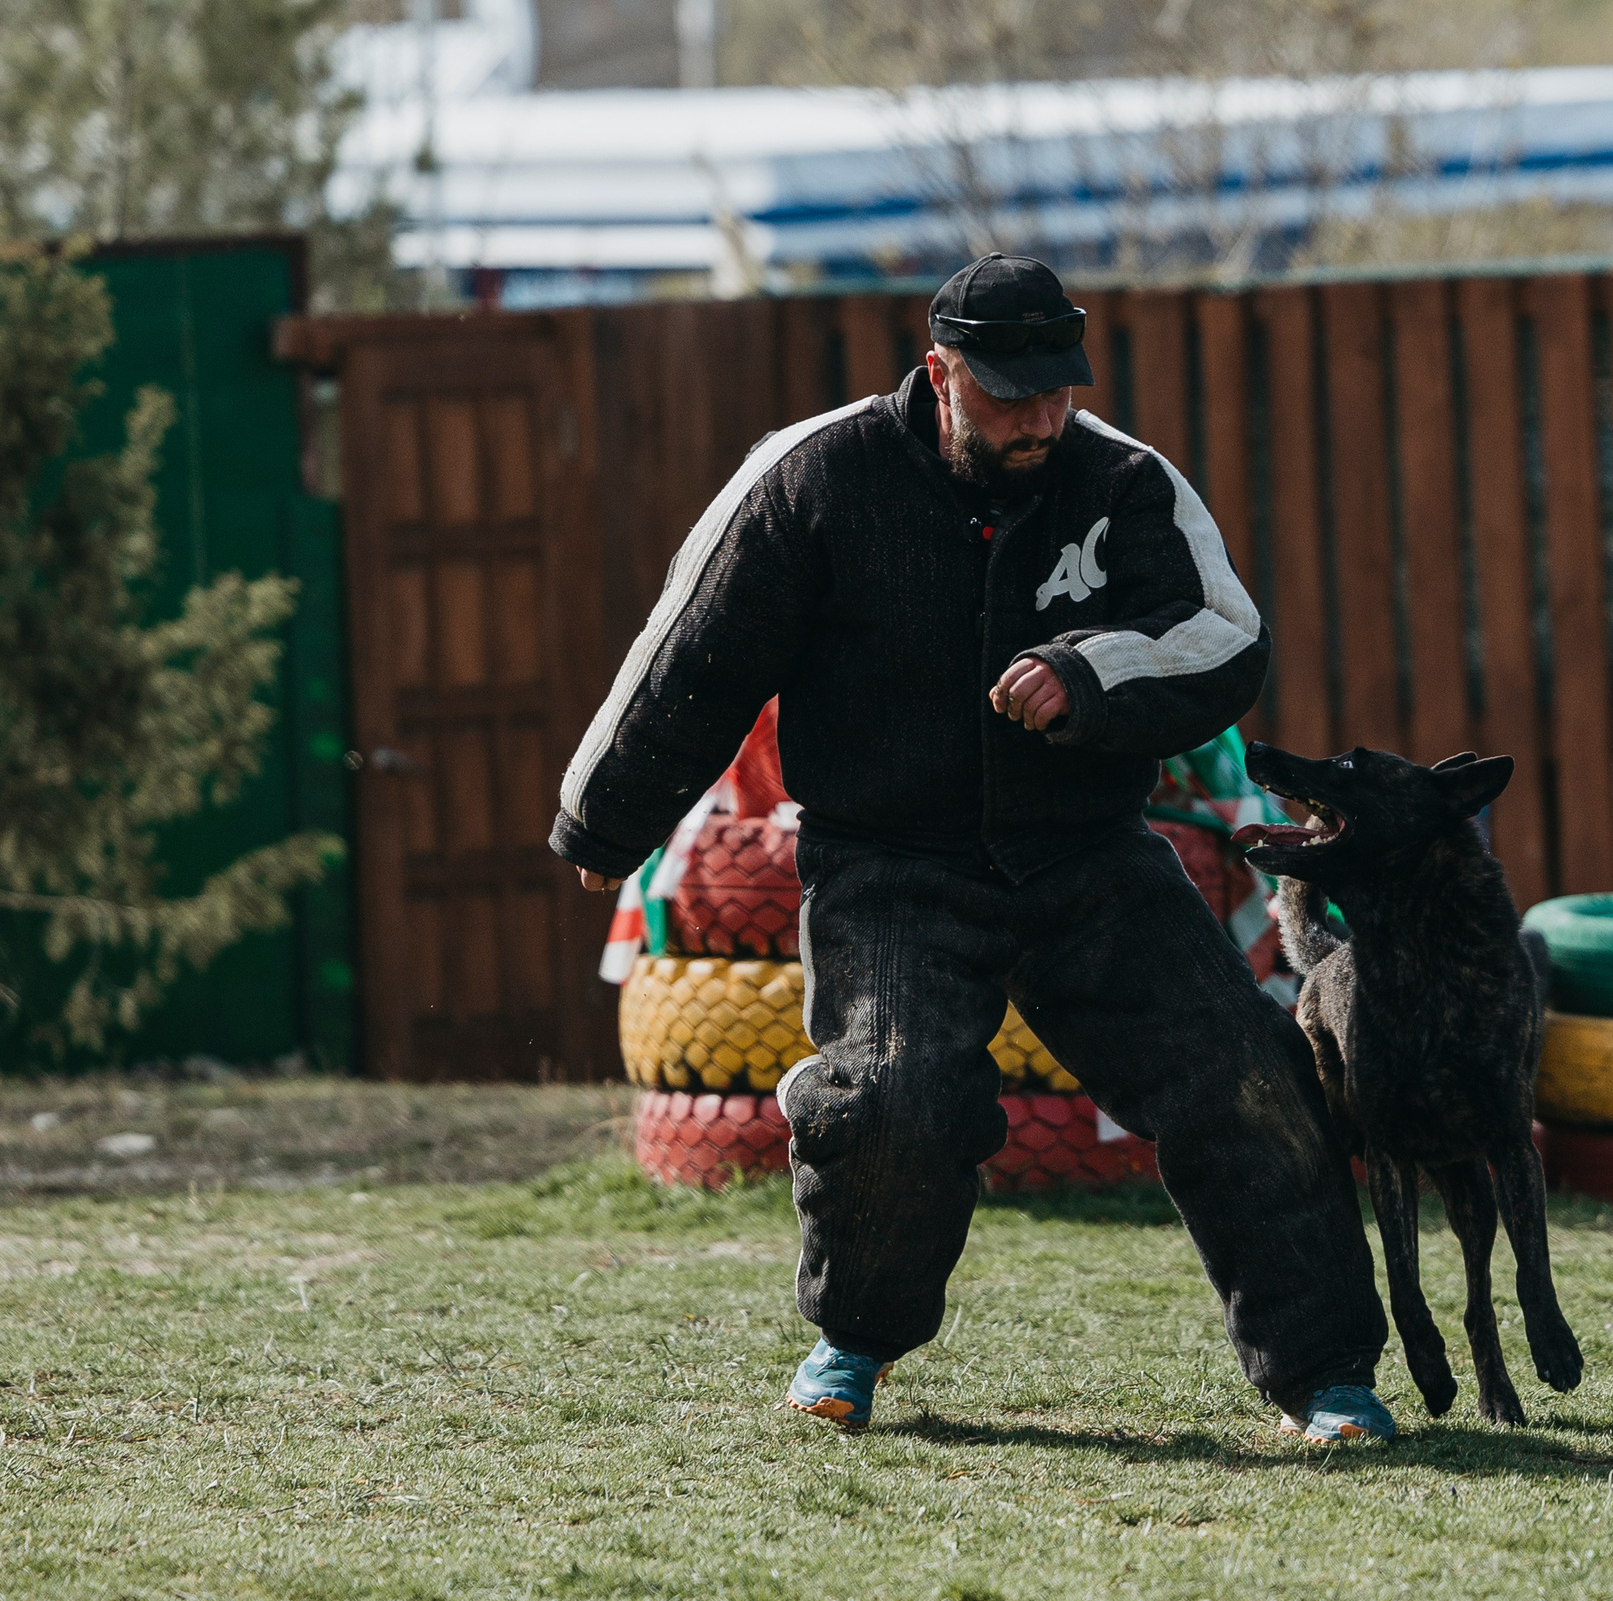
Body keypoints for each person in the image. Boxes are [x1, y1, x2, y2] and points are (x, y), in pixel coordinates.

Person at [552, 254, 1393, 1442]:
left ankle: (1327, 1376)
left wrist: (1092, 672)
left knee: (1249, 1076)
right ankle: (854, 1341)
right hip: (889, 864)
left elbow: (1223, 636)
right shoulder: (813, 476)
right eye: (1008, 397)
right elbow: (695, 647)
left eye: (1056, 393)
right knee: (893, 1100)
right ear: (938, 371)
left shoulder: (1125, 483)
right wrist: (606, 816)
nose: (1040, 420)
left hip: (1090, 857)